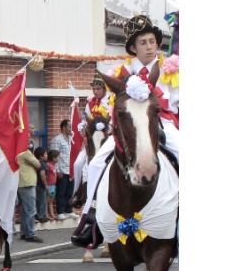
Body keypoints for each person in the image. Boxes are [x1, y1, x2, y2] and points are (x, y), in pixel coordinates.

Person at [74, 14, 180, 246]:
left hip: (164, 123)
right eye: (143, 43)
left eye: (152, 41)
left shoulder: (172, 69)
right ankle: (90, 217)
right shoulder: (119, 73)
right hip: (131, 127)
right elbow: (114, 108)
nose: (150, 47)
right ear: (133, 47)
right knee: (94, 163)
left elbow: (178, 102)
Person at [72, 75, 115, 192]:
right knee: (77, 164)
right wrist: (82, 125)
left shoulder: (112, 101)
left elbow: (115, 118)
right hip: (92, 140)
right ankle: (77, 193)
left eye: (98, 89)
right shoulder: (90, 102)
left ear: (104, 89)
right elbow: (86, 119)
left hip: (108, 139)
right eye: (93, 89)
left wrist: (108, 126)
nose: (95, 91)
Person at [16, 148, 43, 242]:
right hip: (28, 183)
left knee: (25, 211)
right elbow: (38, 164)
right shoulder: (25, 152)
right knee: (31, 210)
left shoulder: (16, 151)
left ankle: (24, 233)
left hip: (21, 182)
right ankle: (30, 234)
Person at [49, 119, 74, 220]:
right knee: (61, 192)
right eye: (69, 127)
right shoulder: (57, 140)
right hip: (62, 170)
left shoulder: (72, 139)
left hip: (71, 170)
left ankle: (68, 211)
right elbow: (53, 155)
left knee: (70, 192)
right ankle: (60, 212)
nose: (71, 129)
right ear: (63, 128)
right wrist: (57, 169)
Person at [33, 146, 49, 224]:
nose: (47, 155)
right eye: (45, 154)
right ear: (41, 156)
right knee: (42, 201)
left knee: (38, 201)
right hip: (41, 186)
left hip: (36, 185)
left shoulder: (37, 163)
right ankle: (41, 216)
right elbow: (42, 175)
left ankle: (37, 215)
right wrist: (46, 184)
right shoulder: (42, 164)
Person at [45, 149, 59, 221]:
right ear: (53, 158)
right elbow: (46, 175)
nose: (58, 159)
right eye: (57, 157)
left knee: (51, 201)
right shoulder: (48, 165)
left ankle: (52, 214)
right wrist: (46, 184)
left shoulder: (54, 165)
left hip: (53, 185)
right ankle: (47, 214)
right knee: (47, 200)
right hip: (49, 185)